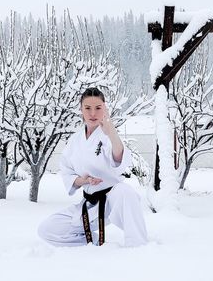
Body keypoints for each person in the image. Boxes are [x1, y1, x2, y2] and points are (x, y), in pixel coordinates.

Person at [38, 87, 148, 247]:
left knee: (126, 192)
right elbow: (67, 171)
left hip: (113, 200)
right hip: (89, 204)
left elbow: (118, 159)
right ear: (81, 109)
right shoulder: (75, 140)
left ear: (105, 108)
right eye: (87, 108)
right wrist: (82, 181)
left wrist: (112, 133)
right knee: (46, 229)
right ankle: (91, 241)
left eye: (98, 108)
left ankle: (137, 245)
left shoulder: (108, 133)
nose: (93, 113)